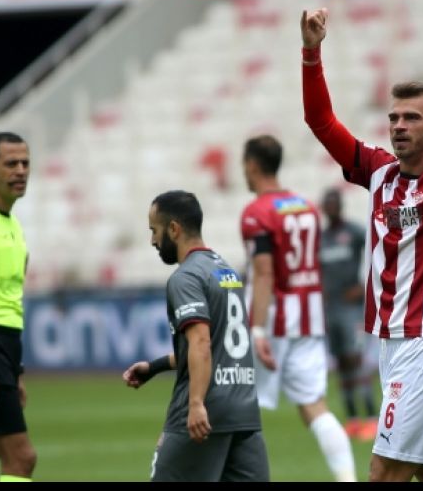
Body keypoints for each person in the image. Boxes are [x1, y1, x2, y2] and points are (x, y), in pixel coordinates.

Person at [301, 5, 423, 482]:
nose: (399, 125)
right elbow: (320, 121)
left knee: (382, 471)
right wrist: (311, 52)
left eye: (412, 117)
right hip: (391, 348)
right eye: (393, 117)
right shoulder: (378, 172)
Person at [122, 190, 269, 482]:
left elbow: (201, 343)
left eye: (154, 230)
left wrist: (196, 403)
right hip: (243, 411)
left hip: (208, 410)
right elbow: (215, 346)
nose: (152, 241)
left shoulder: (186, 277)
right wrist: (155, 367)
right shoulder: (226, 271)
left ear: (174, 229)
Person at [239, 136, 356, 482]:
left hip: (273, 317)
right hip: (309, 318)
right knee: (315, 407)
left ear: (252, 165)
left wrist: (257, 329)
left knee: (235, 402)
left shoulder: (256, 213)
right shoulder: (306, 207)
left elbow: (264, 272)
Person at [319, 188, 377, 442]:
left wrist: (365, 285)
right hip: (330, 309)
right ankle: (353, 419)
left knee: (356, 359)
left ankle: (372, 418)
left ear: (340, 206)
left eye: (334, 203)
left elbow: (377, 252)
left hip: (352, 308)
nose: (331, 207)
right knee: (341, 363)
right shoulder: (320, 239)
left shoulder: (354, 232)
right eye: (327, 203)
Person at [0, 132, 35, 482]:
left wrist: (15, 372)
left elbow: (11, 301)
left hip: (6, 349)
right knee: (21, 459)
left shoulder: (13, 225)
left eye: (25, 163)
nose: (20, 170)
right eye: (11, 163)